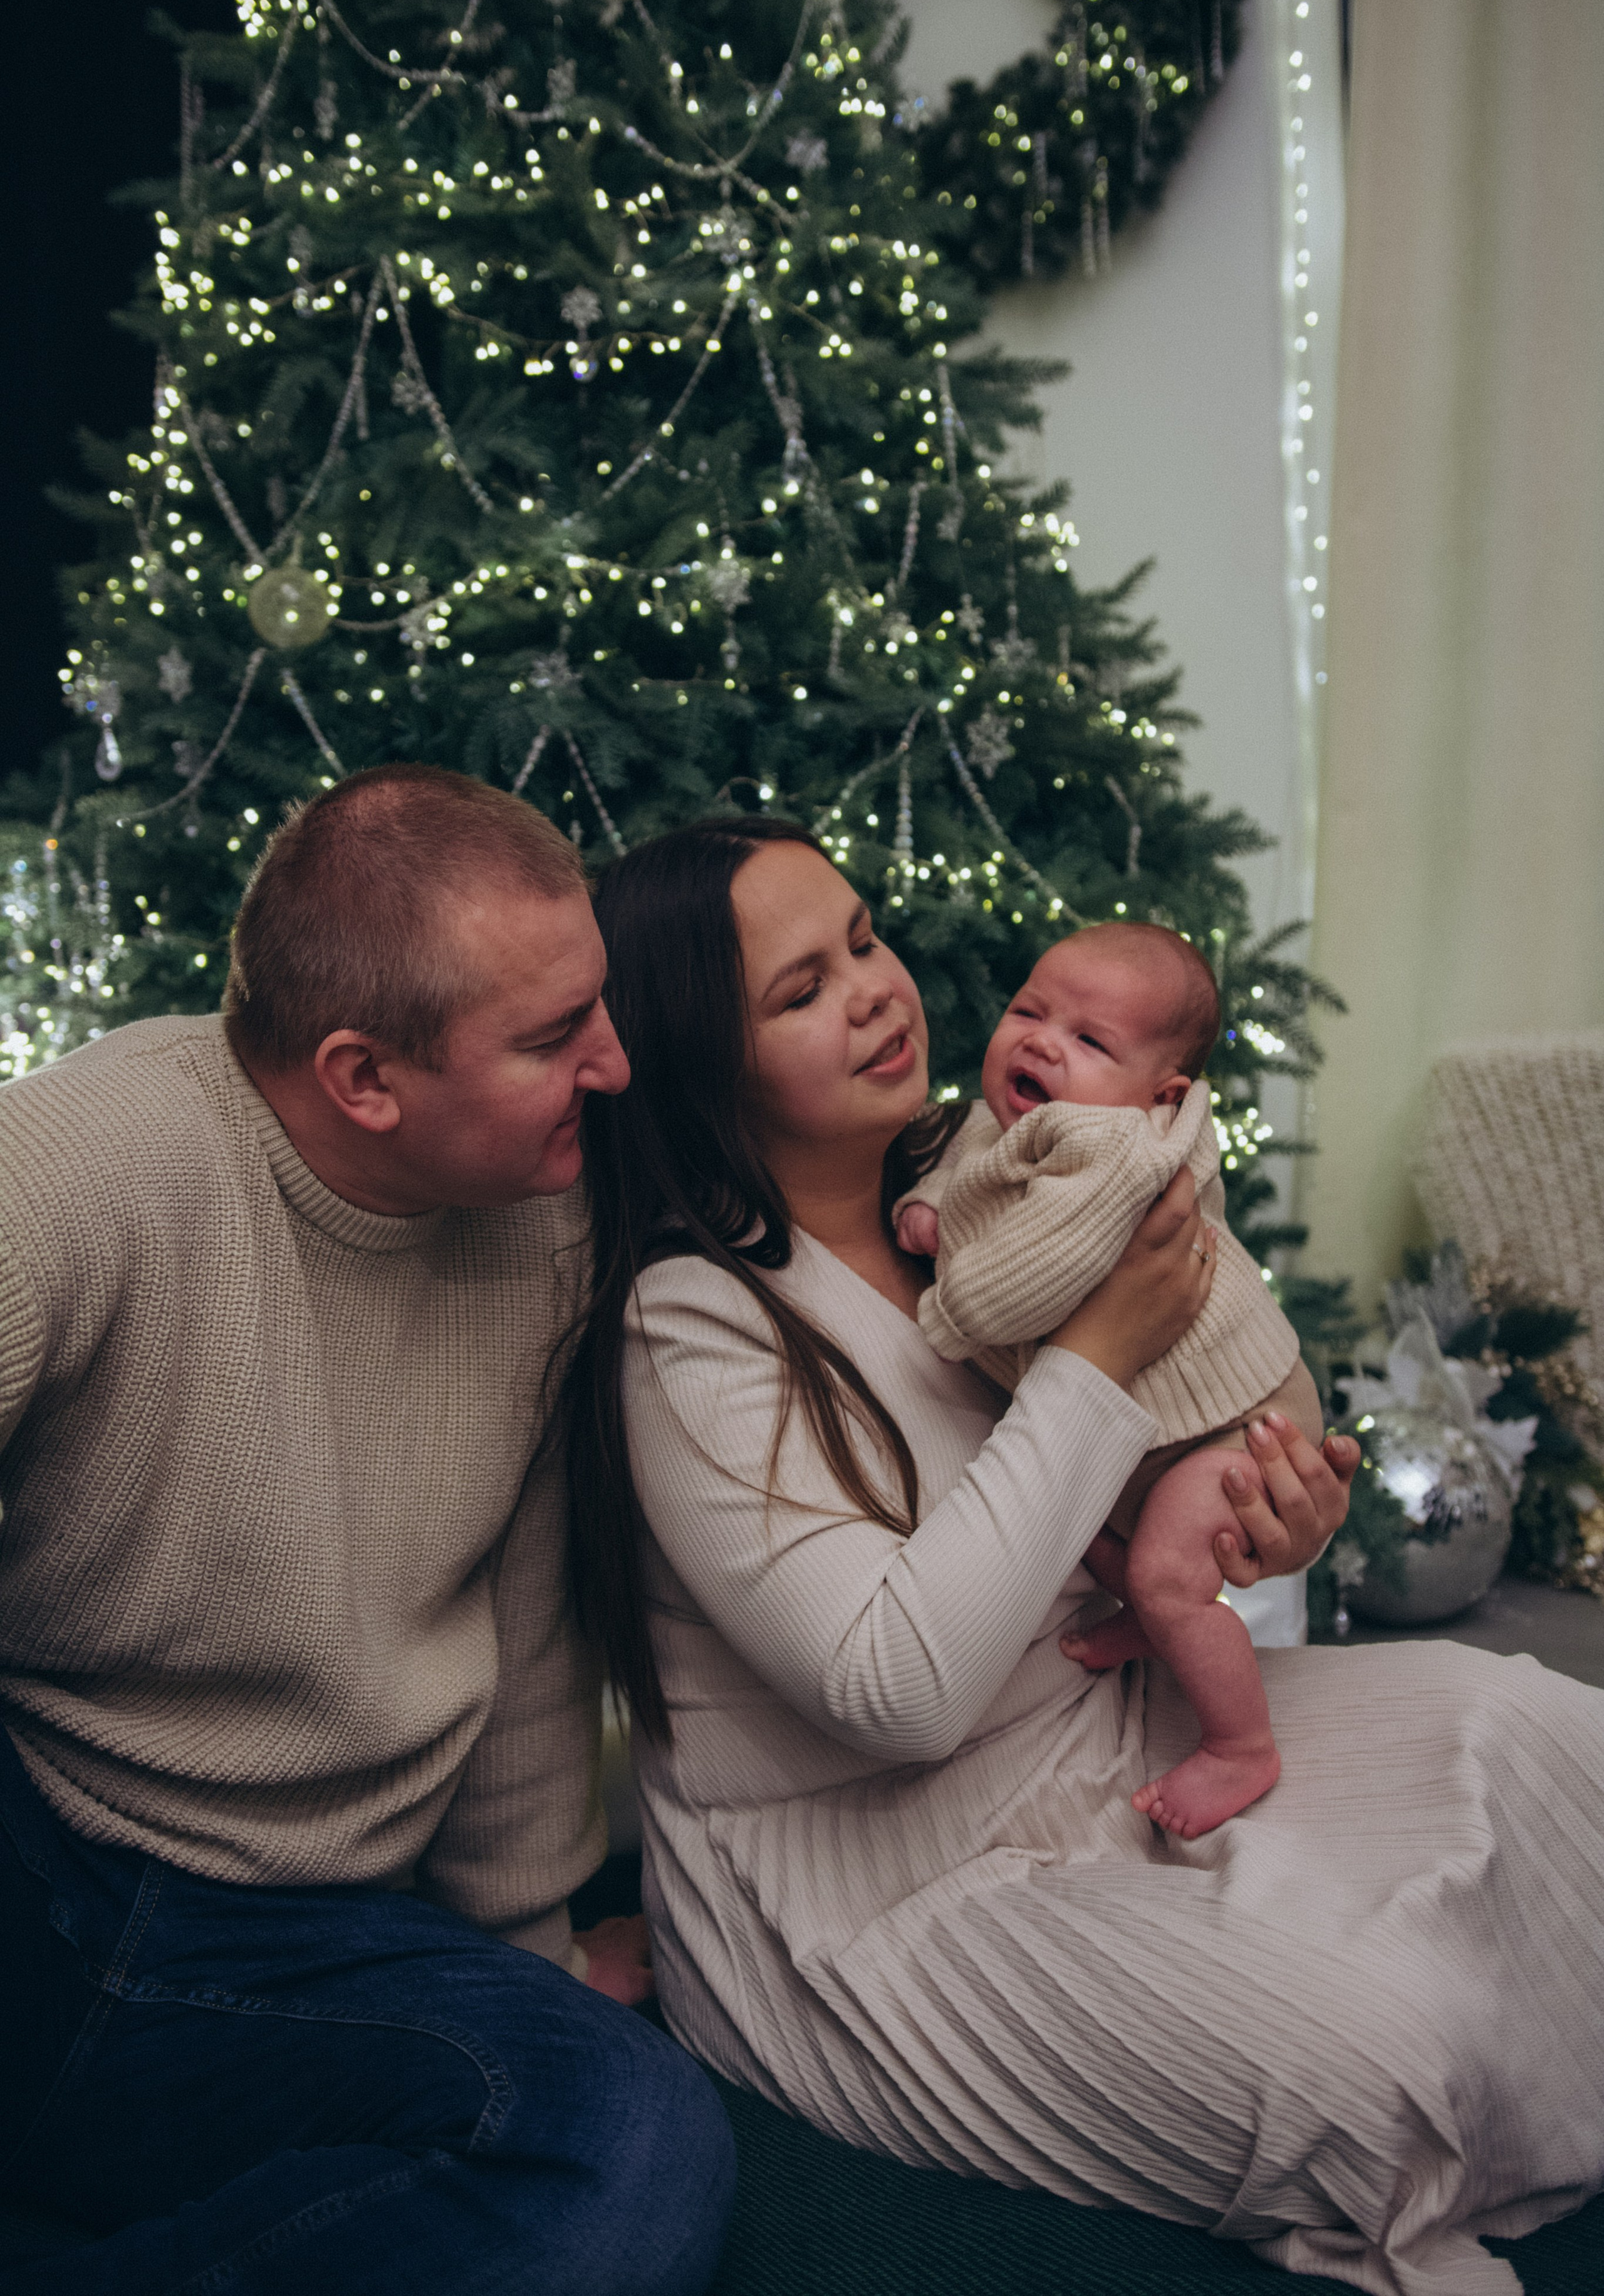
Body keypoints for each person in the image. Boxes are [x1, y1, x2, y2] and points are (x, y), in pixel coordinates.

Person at [566, 814, 1604, 2296]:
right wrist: (1094, 1362)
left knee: (1546, 1740)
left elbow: (1188, 1411)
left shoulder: (993, 1174)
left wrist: (1263, 1503)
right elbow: (897, 1693)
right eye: (800, 990)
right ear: (696, 1059)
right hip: (876, 1890)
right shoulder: (694, 1324)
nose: (874, 989)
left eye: (861, 939)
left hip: (1102, 1728)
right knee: (1386, 2057)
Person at [0, 767, 734, 2295]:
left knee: (635, 2150)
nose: (611, 1064)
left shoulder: (547, 1221)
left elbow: (525, 1625)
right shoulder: (88, 1165)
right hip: (43, 1859)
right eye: (548, 1039)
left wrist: (530, 1952)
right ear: (362, 1077)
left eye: (593, 1006)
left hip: (297, 1941)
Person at [890, 923, 1326, 1836]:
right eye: (1030, 1011)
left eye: (1091, 1041)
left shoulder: (1119, 1156)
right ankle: (1155, 1612)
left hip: (1234, 1418)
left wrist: (949, 1306)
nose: (1044, 1041)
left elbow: (1021, 1288)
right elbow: (978, 1153)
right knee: (1094, 1535)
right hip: (1163, 1411)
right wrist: (933, 1200)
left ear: (1157, 1095)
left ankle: (1240, 1745)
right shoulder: (1026, 1118)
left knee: (1168, 1569)